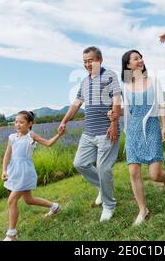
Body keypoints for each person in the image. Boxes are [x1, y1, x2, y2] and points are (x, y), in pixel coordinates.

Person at [109, 49, 165, 226]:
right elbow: (125, 110)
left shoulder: (154, 81)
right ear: (128, 65)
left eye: (140, 58)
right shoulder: (126, 87)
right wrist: (114, 115)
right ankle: (143, 210)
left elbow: (160, 106)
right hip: (133, 130)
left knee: (154, 175)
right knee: (133, 171)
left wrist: (164, 126)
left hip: (152, 126)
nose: (140, 61)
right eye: (136, 59)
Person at [58, 46, 122, 222]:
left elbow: (117, 100)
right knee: (80, 163)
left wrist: (114, 124)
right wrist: (64, 121)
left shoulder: (110, 75)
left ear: (99, 60)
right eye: (84, 61)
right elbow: (76, 103)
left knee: (103, 168)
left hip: (107, 131)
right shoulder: (84, 82)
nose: (87, 64)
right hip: (89, 132)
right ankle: (102, 187)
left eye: (90, 60)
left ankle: (109, 205)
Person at [2, 111, 63, 241]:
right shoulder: (12, 137)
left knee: (12, 201)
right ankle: (55, 207)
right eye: (16, 122)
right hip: (14, 171)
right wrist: (4, 170)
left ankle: (11, 234)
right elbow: (7, 155)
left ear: (29, 123)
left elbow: (48, 143)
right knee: (29, 200)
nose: (18, 124)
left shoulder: (31, 135)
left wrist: (59, 134)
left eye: (21, 122)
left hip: (25, 172)